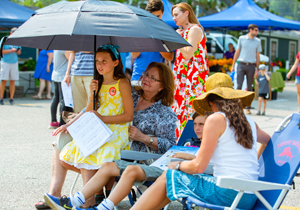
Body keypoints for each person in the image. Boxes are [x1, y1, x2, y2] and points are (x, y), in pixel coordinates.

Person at [43, 62, 177, 209]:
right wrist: (70, 123)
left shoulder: (164, 113)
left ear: (162, 86)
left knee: (90, 149)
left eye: (153, 78)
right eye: (145, 74)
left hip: (134, 154)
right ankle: (59, 193)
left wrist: (143, 137)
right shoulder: (130, 92)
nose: (146, 79)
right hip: (105, 137)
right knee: (63, 137)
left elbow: (170, 145)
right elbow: (97, 107)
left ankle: (91, 198)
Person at [130, 73, 271, 210]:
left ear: (210, 101)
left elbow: (198, 167)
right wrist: (254, 164)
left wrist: (178, 165)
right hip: (249, 196)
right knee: (174, 181)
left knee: (169, 175)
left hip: (228, 192)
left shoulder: (216, 119)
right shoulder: (248, 121)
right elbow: (267, 141)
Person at [50, 112, 211, 210]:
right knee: (107, 165)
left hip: (171, 170)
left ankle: (103, 207)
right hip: (159, 164)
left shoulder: (211, 142)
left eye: (202, 125)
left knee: (131, 170)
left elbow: (206, 163)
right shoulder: (190, 140)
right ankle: (75, 201)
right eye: (195, 124)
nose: (197, 128)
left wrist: (185, 157)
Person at [171, 2, 209, 137]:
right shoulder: (184, 31)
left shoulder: (194, 29)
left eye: (176, 15)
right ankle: (183, 139)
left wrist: (176, 38)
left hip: (192, 77)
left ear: (186, 13)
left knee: (191, 110)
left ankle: (191, 140)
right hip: (183, 77)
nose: (174, 18)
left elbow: (188, 54)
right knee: (182, 109)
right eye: (173, 15)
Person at [131, 0, 173, 86]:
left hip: (157, 79)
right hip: (138, 77)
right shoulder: (140, 29)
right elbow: (134, 55)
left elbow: (170, 57)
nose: (155, 19)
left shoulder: (166, 31)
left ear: (163, 12)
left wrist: (158, 43)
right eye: (152, 16)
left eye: (158, 16)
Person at [231, 24, 262, 115]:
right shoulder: (241, 38)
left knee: (249, 87)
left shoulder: (258, 41)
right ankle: (235, 106)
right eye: (256, 30)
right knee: (238, 85)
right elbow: (237, 52)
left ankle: (247, 108)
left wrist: (257, 69)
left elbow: (257, 56)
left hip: (251, 65)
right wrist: (233, 65)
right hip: (241, 64)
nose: (257, 32)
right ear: (250, 30)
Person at [49, 50, 70, 129]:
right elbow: (71, 59)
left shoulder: (57, 48)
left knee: (56, 98)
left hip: (55, 75)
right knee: (63, 100)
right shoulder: (64, 49)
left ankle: (53, 121)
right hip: (62, 76)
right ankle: (62, 123)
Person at [0, 27, 21, 105]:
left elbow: (19, 53)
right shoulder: (4, 39)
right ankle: (1, 98)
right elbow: (1, 51)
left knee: (12, 81)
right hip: (5, 62)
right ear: (11, 33)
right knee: (3, 80)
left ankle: (11, 98)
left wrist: (17, 50)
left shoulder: (17, 41)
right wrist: (11, 50)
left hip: (14, 63)